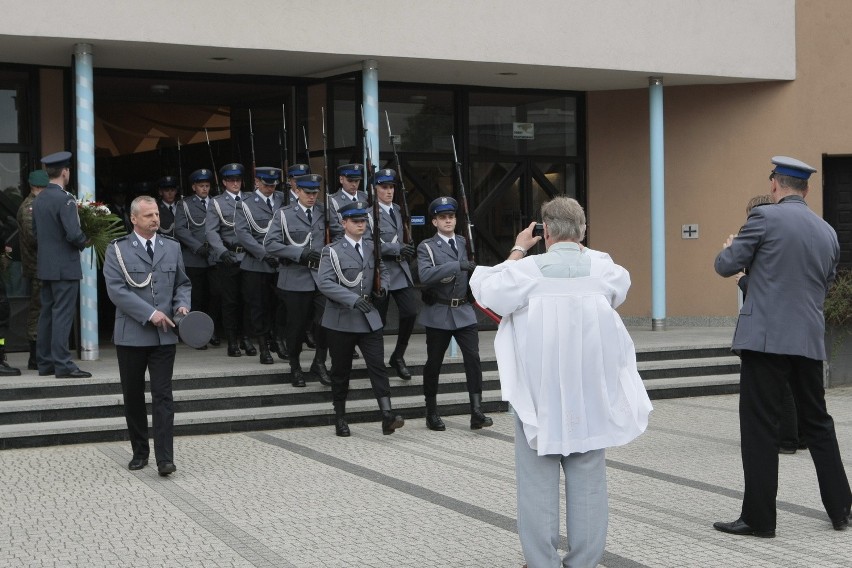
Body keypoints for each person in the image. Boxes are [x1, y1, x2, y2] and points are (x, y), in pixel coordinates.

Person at [470, 197, 652, 568]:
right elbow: (619, 285)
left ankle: (543, 562)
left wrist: (520, 248)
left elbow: (485, 287)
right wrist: (578, 244)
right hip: (590, 393)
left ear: (545, 231)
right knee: (589, 483)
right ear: (583, 232)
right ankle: (584, 562)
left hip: (538, 396)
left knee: (536, 484)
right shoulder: (603, 269)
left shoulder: (528, 271)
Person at [714, 156, 852, 537]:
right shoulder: (827, 231)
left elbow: (726, 265)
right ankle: (841, 509)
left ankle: (760, 518)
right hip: (807, 339)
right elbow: (820, 285)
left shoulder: (763, 218)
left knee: (759, 427)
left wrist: (733, 248)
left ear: (775, 185)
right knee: (819, 424)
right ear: (805, 189)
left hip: (765, 341)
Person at [103, 195, 191, 476]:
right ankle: (140, 452)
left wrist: (182, 303)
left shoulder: (172, 247)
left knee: (163, 395)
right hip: (132, 335)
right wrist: (150, 314)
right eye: (149, 215)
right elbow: (117, 290)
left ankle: (165, 458)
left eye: (156, 214)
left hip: (165, 336)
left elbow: (183, 283)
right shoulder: (117, 250)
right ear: (134, 219)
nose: (156, 219)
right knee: (133, 395)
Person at [316, 201, 404, 437]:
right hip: (341, 318)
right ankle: (340, 417)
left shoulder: (371, 247)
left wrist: (383, 289)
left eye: (363, 221)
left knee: (378, 367)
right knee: (340, 370)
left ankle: (387, 415)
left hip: (369, 317)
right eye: (355, 221)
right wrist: (352, 299)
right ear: (344, 223)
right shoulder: (331, 251)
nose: (360, 225)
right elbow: (324, 283)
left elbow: (382, 271)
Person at [733, 194, 803, 456]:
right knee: (792, 381)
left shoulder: (760, 238)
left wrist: (741, 277)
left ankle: (786, 439)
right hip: (794, 320)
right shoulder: (787, 237)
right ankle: (798, 435)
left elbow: (765, 286)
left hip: (767, 324)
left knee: (778, 384)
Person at [417, 196, 492, 430]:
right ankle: (431, 412)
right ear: (434, 222)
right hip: (439, 311)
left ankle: (476, 411)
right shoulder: (426, 247)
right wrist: (455, 266)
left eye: (451, 216)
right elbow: (425, 275)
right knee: (434, 363)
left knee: (473, 360)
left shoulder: (463, 242)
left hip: (464, 311)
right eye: (442, 217)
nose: (448, 220)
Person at [264, 173, 330, 387]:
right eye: (308, 192)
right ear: (298, 191)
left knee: (327, 321)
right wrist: (299, 253)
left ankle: (319, 362)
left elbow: (339, 235)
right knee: (297, 327)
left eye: (315, 192)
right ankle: (295, 366)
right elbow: (270, 244)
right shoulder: (284, 214)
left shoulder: (324, 211)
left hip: (320, 277)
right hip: (295, 277)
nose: (312, 196)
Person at [31, 151, 92, 379]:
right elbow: (74, 233)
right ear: (65, 172)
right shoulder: (65, 199)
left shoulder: (40, 199)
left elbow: (35, 233)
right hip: (65, 266)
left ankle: (45, 362)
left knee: (46, 313)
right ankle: (63, 365)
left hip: (46, 266)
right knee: (62, 315)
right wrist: (85, 241)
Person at [234, 166, 285, 364]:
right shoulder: (245, 204)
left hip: (280, 263)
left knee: (279, 305)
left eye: (273, 184)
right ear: (257, 182)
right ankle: (263, 347)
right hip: (256, 264)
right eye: (266, 184)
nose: (270, 188)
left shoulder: (282, 198)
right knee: (258, 307)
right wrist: (264, 254)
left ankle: (278, 340)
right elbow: (243, 234)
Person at [205, 162, 255, 357]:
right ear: (224, 182)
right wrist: (221, 252)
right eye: (231, 180)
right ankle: (232, 340)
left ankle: (247, 338)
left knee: (249, 300)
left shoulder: (250, 199)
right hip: (229, 256)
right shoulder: (216, 202)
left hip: (249, 257)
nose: (236, 183)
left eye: (238, 180)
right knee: (230, 301)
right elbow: (211, 231)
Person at [373, 168, 416, 380]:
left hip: (401, 270)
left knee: (410, 312)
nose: (389, 191)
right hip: (381, 270)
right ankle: (377, 361)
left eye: (391, 187)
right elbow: (368, 243)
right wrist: (396, 249)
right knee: (378, 320)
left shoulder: (398, 209)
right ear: (375, 189)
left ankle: (398, 355)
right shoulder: (369, 212)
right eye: (384, 187)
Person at [174, 169, 217, 349]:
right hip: (195, 257)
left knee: (215, 295)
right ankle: (197, 333)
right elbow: (180, 229)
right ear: (194, 187)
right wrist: (197, 247)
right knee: (196, 297)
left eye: (207, 186)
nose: (205, 189)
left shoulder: (216, 202)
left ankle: (212, 331)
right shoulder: (185, 204)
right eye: (201, 186)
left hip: (214, 256)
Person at [17, 169, 48, 371]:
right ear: (36, 187)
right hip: (37, 267)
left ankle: (40, 354)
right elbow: (34, 239)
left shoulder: (37, 204)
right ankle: (35, 355)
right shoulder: (29, 208)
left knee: (42, 309)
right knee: (38, 310)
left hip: (41, 266)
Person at [329, 163, 369, 242]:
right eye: (350, 180)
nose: (354, 184)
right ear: (341, 179)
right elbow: (336, 230)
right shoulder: (333, 200)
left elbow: (369, 225)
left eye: (357, 181)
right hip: (343, 244)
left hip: (366, 244)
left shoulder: (365, 197)